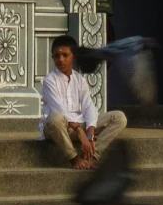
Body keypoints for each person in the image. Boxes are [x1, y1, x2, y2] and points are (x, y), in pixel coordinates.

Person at [40, 36, 128, 169]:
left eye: (65, 55)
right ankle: (74, 159)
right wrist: (80, 131)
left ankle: (90, 157)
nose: (61, 59)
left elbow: (89, 107)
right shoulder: (49, 81)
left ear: (73, 56)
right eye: (57, 56)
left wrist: (90, 133)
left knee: (119, 117)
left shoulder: (79, 79)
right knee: (55, 118)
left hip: (78, 126)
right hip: (57, 128)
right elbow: (59, 110)